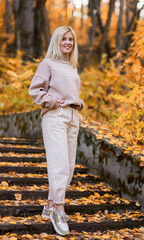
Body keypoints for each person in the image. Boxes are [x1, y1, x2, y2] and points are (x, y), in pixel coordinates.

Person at [29, 26, 83, 236]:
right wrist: (51, 102)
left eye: (70, 39)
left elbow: (71, 92)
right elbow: (35, 89)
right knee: (59, 164)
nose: (68, 42)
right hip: (55, 116)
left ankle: (50, 205)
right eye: (63, 39)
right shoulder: (48, 63)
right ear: (57, 41)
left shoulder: (72, 67)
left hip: (72, 117)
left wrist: (79, 102)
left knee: (68, 167)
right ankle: (58, 210)